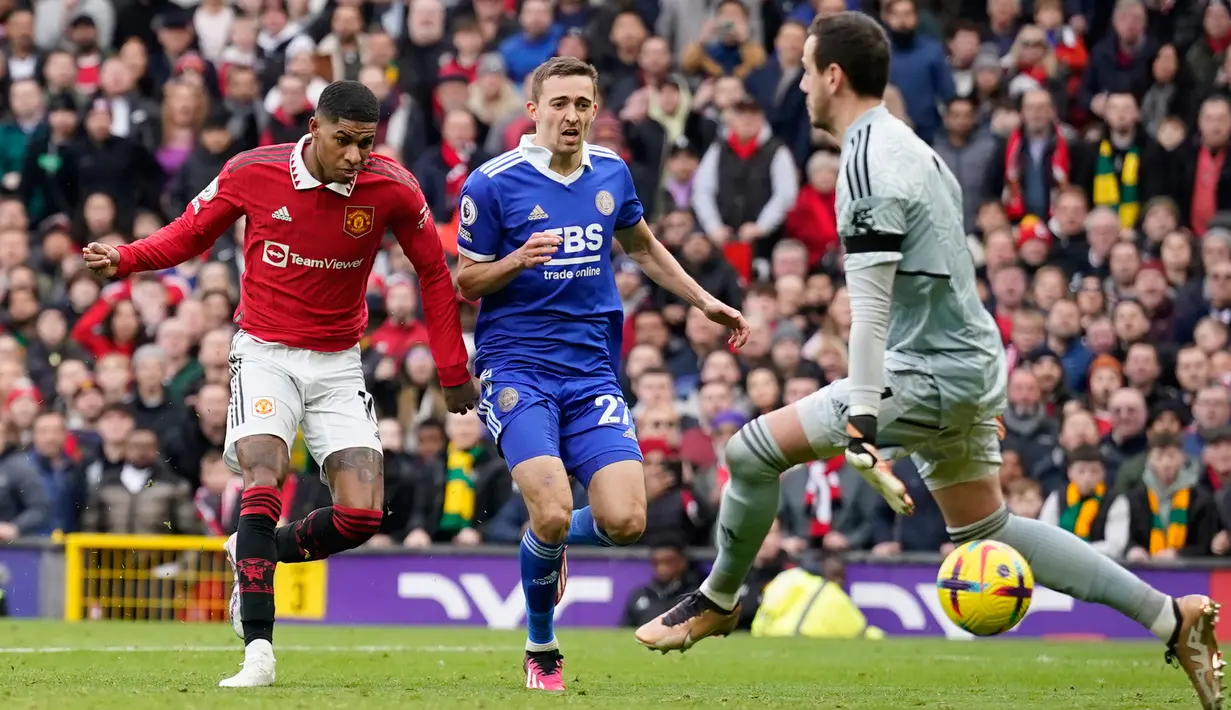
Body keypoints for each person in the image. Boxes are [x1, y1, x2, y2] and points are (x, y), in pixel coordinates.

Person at [634, 13, 1223, 710]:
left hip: (925, 371)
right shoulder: (915, 148)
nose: (797, 86)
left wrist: (859, 417)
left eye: (804, 71)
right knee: (988, 530)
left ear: (832, 76)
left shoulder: (864, 159)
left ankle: (718, 599)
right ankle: (1169, 616)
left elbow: (871, 306)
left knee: (748, 451)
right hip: (968, 362)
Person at [82, 80, 477, 688]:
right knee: (265, 473)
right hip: (265, 352)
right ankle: (259, 653)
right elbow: (190, 232)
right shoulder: (254, 171)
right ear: (313, 128)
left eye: (365, 144)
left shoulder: (393, 187)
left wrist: (452, 369)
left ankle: (251, 553)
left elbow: (432, 271)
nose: (354, 156)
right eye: (344, 141)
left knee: (360, 515)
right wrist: (127, 258)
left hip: (340, 361)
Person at [454, 56, 748, 692]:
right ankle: (541, 646)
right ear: (533, 110)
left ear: (595, 110)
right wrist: (515, 261)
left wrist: (702, 300)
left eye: (582, 104)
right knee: (553, 509)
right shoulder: (492, 183)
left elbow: (641, 245)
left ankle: (546, 546)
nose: (571, 116)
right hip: (517, 368)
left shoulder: (611, 170)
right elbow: (463, 278)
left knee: (625, 521)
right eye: (558, 103)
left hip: (591, 373)